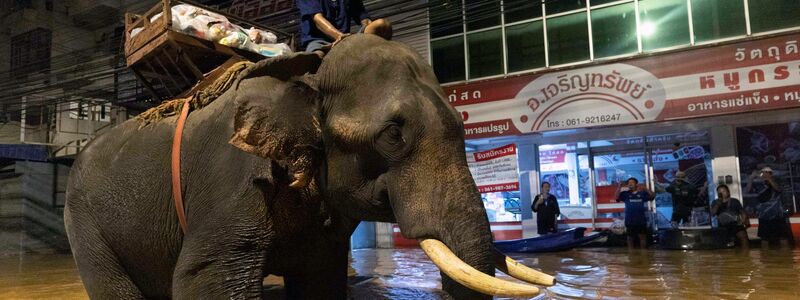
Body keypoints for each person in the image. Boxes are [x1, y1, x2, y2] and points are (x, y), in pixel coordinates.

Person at [297, 0, 392, 54]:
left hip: (348, 38)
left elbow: (363, 18)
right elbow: (317, 19)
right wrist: (340, 36)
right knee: (316, 57)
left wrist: (371, 32)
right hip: (320, 41)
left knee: (382, 25)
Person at [746, 167, 787, 245]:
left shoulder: (776, 180)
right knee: (764, 238)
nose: (764, 174)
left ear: (770, 173)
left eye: (766, 172)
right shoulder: (758, 183)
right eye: (763, 172)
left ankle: (786, 255)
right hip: (763, 214)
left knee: (782, 236)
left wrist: (769, 178)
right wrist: (751, 178)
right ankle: (765, 255)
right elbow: (748, 190)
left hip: (777, 213)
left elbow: (778, 189)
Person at [615, 177, 655, 249]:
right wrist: (619, 186)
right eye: (628, 183)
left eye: (632, 182)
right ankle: (631, 255)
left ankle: (644, 254)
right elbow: (616, 197)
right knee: (630, 238)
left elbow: (652, 196)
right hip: (630, 220)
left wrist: (646, 188)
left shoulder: (642, 193)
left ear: (636, 184)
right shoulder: (625, 194)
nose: (630, 184)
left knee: (642, 237)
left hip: (641, 219)